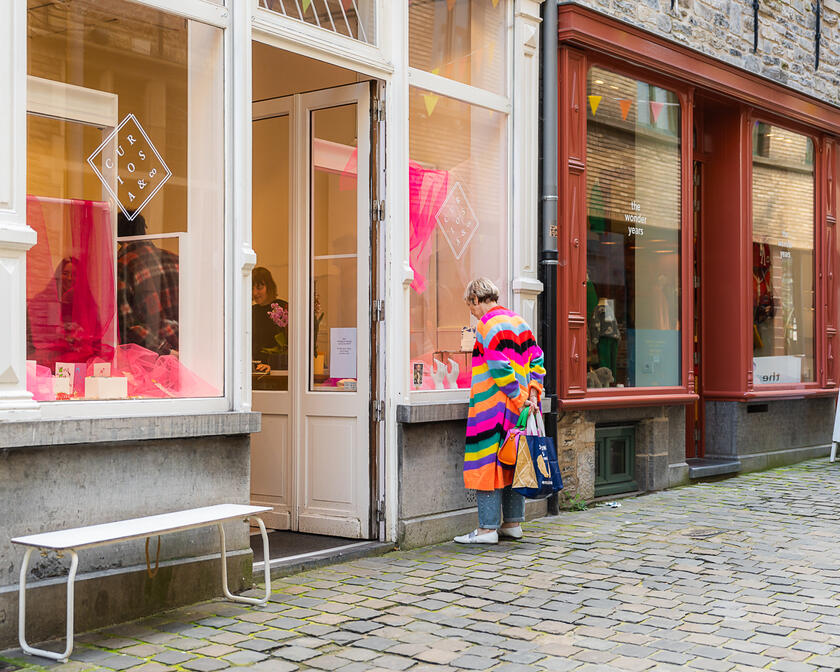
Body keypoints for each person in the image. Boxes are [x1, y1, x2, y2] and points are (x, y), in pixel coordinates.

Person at [455, 277, 546, 544]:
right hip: (520, 409)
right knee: (514, 460)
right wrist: (531, 395)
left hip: (492, 409)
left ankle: (486, 530)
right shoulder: (519, 322)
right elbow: (537, 359)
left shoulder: (486, 325)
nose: (471, 312)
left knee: (487, 464)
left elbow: (499, 368)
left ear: (475, 299)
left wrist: (518, 398)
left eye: (470, 305)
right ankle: (512, 523)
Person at [116, 212, 179, 355]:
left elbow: (127, 325)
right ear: (144, 230)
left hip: (151, 360)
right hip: (188, 354)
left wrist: (166, 351)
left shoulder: (123, 265)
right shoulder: (175, 259)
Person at [252, 267, 288, 373]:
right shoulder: (251, 312)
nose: (255, 293)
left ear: (269, 287)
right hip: (255, 371)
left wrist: (273, 365)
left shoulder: (283, 308)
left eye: (259, 288)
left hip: (278, 371)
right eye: (251, 288)